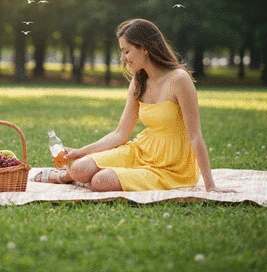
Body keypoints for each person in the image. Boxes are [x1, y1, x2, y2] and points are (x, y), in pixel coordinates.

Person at [33, 18, 233, 193]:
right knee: (79, 167)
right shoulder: (139, 81)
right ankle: (69, 176)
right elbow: (120, 133)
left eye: (126, 51)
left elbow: (195, 135)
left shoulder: (179, 79)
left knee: (100, 181)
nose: (123, 58)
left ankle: (82, 179)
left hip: (171, 166)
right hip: (141, 150)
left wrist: (210, 185)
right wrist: (82, 151)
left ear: (144, 48)